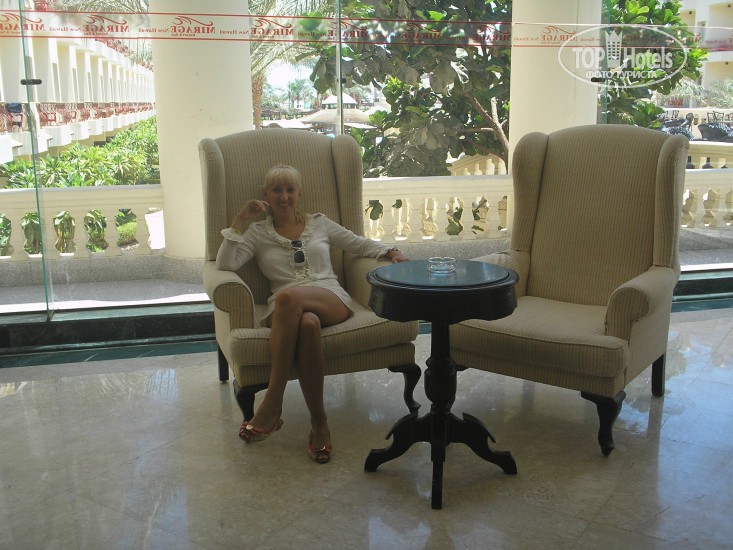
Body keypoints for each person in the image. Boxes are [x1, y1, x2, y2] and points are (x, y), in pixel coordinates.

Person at [216, 164, 408, 463]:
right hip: (284, 308)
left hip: (329, 297)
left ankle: (272, 402)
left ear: (299, 193)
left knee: (289, 298)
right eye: (276, 190)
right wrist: (240, 220)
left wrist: (391, 251)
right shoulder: (257, 232)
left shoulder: (318, 223)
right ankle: (320, 424)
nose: (284, 197)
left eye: (290, 190)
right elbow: (226, 265)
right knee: (307, 324)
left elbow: (357, 243)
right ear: (265, 195)